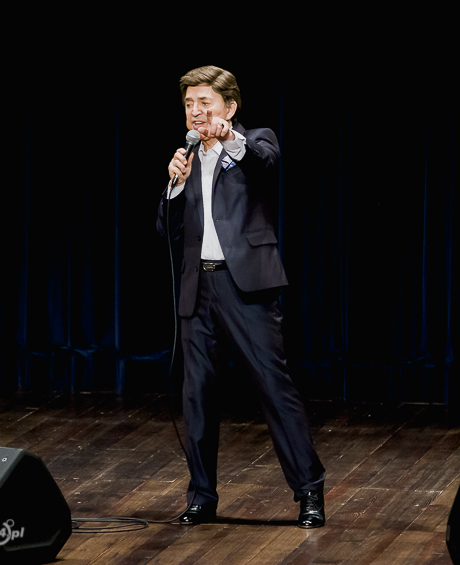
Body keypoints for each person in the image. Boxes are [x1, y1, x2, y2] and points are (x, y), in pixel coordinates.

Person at [157, 65, 326, 528]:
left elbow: (263, 162)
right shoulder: (186, 158)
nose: (195, 112)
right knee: (197, 395)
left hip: (246, 286)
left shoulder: (253, 142)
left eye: (204, 103)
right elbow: (167, 232)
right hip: (198, 289)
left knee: (273, 387)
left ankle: (309, 491)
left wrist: (229, 138)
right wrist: (174, 186)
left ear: (228, 107)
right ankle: (201, 496)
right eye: (188, 104)